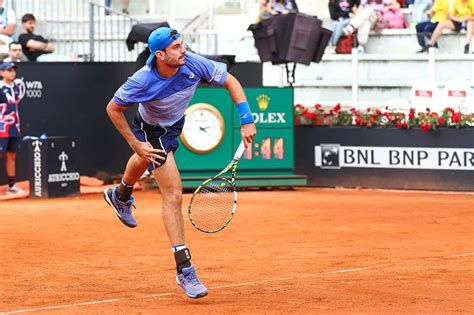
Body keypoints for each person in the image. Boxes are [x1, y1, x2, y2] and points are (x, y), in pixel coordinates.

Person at [104, 27, 256, 299]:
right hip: (153, 130)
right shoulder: (142, 80)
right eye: (176, 47)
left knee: (145, 156)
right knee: (173, 193)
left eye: (182, 44)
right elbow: (113, 108)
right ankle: (184, 268)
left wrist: (246, 119)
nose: (183, 49)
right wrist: (134, 142)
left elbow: (231, 81)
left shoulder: (193, 63)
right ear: (160, 55)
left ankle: (121, 193)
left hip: (174, 125)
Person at [0, 62, 24, 195]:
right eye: (9, 70)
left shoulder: (16, 88)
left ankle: (11, 186)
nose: (12, 72)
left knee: (12, 155)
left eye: (13, 70)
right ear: (1, 73)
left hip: (14, 127)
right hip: (1, 127)